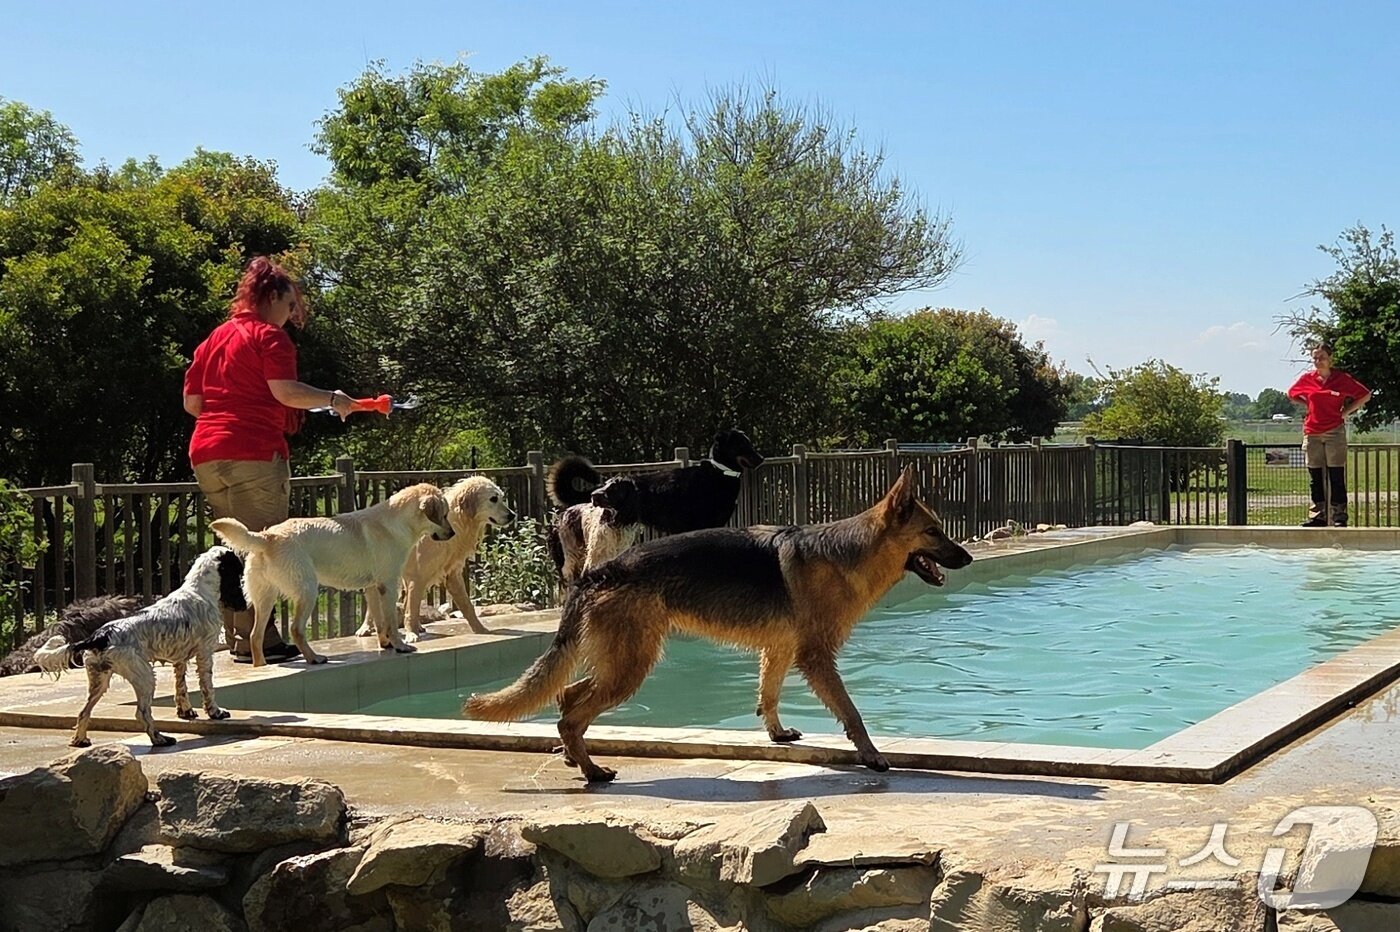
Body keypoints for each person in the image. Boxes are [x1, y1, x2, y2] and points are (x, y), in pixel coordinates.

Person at [183, 257, 354, 662]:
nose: (292, 314)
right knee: (264, 547)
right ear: (272, 295)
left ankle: (242, 639)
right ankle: (261, 642)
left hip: (206, 451)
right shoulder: (270, 337)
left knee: (233, 549)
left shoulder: (214, 339)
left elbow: (193, 403)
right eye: (290, 304)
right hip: (254, 453)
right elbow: (285, 391)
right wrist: (332, 399)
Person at [1287, 343, 1371, 528]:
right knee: (1315, 476)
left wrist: (1345, 411)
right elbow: (1291, 394)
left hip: (1334, 431)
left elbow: (1365, 395)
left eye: (1322, 357)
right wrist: (1307, 404)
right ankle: (1318, 514)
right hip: (1312, 432)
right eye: (1315, 358)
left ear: (1330, 358)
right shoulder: (1307, 379)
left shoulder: (1341, 379)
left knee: (1336, 474)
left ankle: (1339, 515)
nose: (1318, 361)